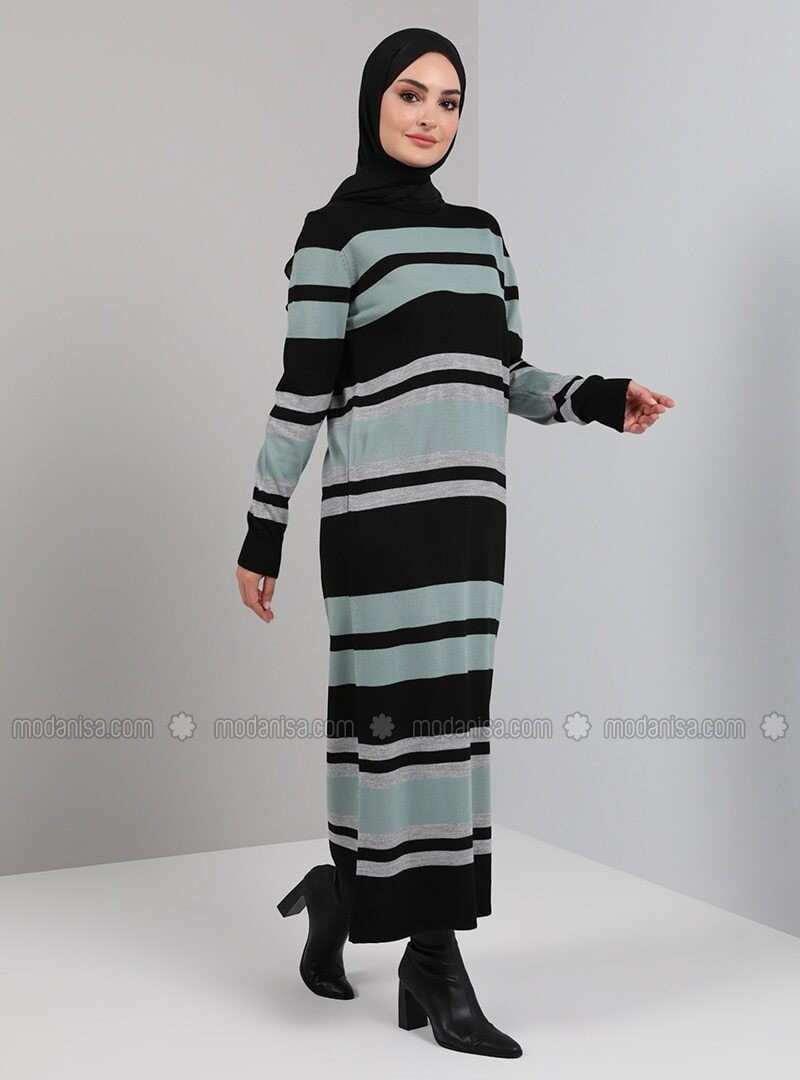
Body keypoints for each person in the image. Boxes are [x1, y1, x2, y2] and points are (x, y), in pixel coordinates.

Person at [236, 26, 674, 1059]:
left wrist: (596, 397)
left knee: (447, 732)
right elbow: (301, 395)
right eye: (410, 93)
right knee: (398, 732)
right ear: (371, 103)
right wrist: (263, 530)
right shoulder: (332, 238)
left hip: (470, 523)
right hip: (377, 526)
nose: (430, 116)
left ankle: (344, 897)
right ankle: (433, 964)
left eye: (448, 100)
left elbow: (501, 373)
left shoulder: (482, 236)